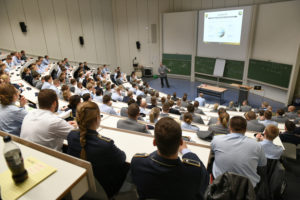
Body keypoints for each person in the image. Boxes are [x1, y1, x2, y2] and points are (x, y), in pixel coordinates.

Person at [131, 117, 209, 200]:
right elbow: (205, 180)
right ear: (181, 142)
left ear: (154, 143)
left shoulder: (138, 162)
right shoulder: (194, 171)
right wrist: (186, 151)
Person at [67, 101, 128, 198]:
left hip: (83, 184)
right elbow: (122, 158)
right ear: (97, 118)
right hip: (105, 187)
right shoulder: (105, 144)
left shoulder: (71, 135)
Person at [211, 116, 267, 187]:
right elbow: (262, 165)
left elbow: (213, 153)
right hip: (247, 189)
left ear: (229, 127)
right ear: (246, 129)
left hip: (220, 185)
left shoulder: (216, 139)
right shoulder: (258, 146)